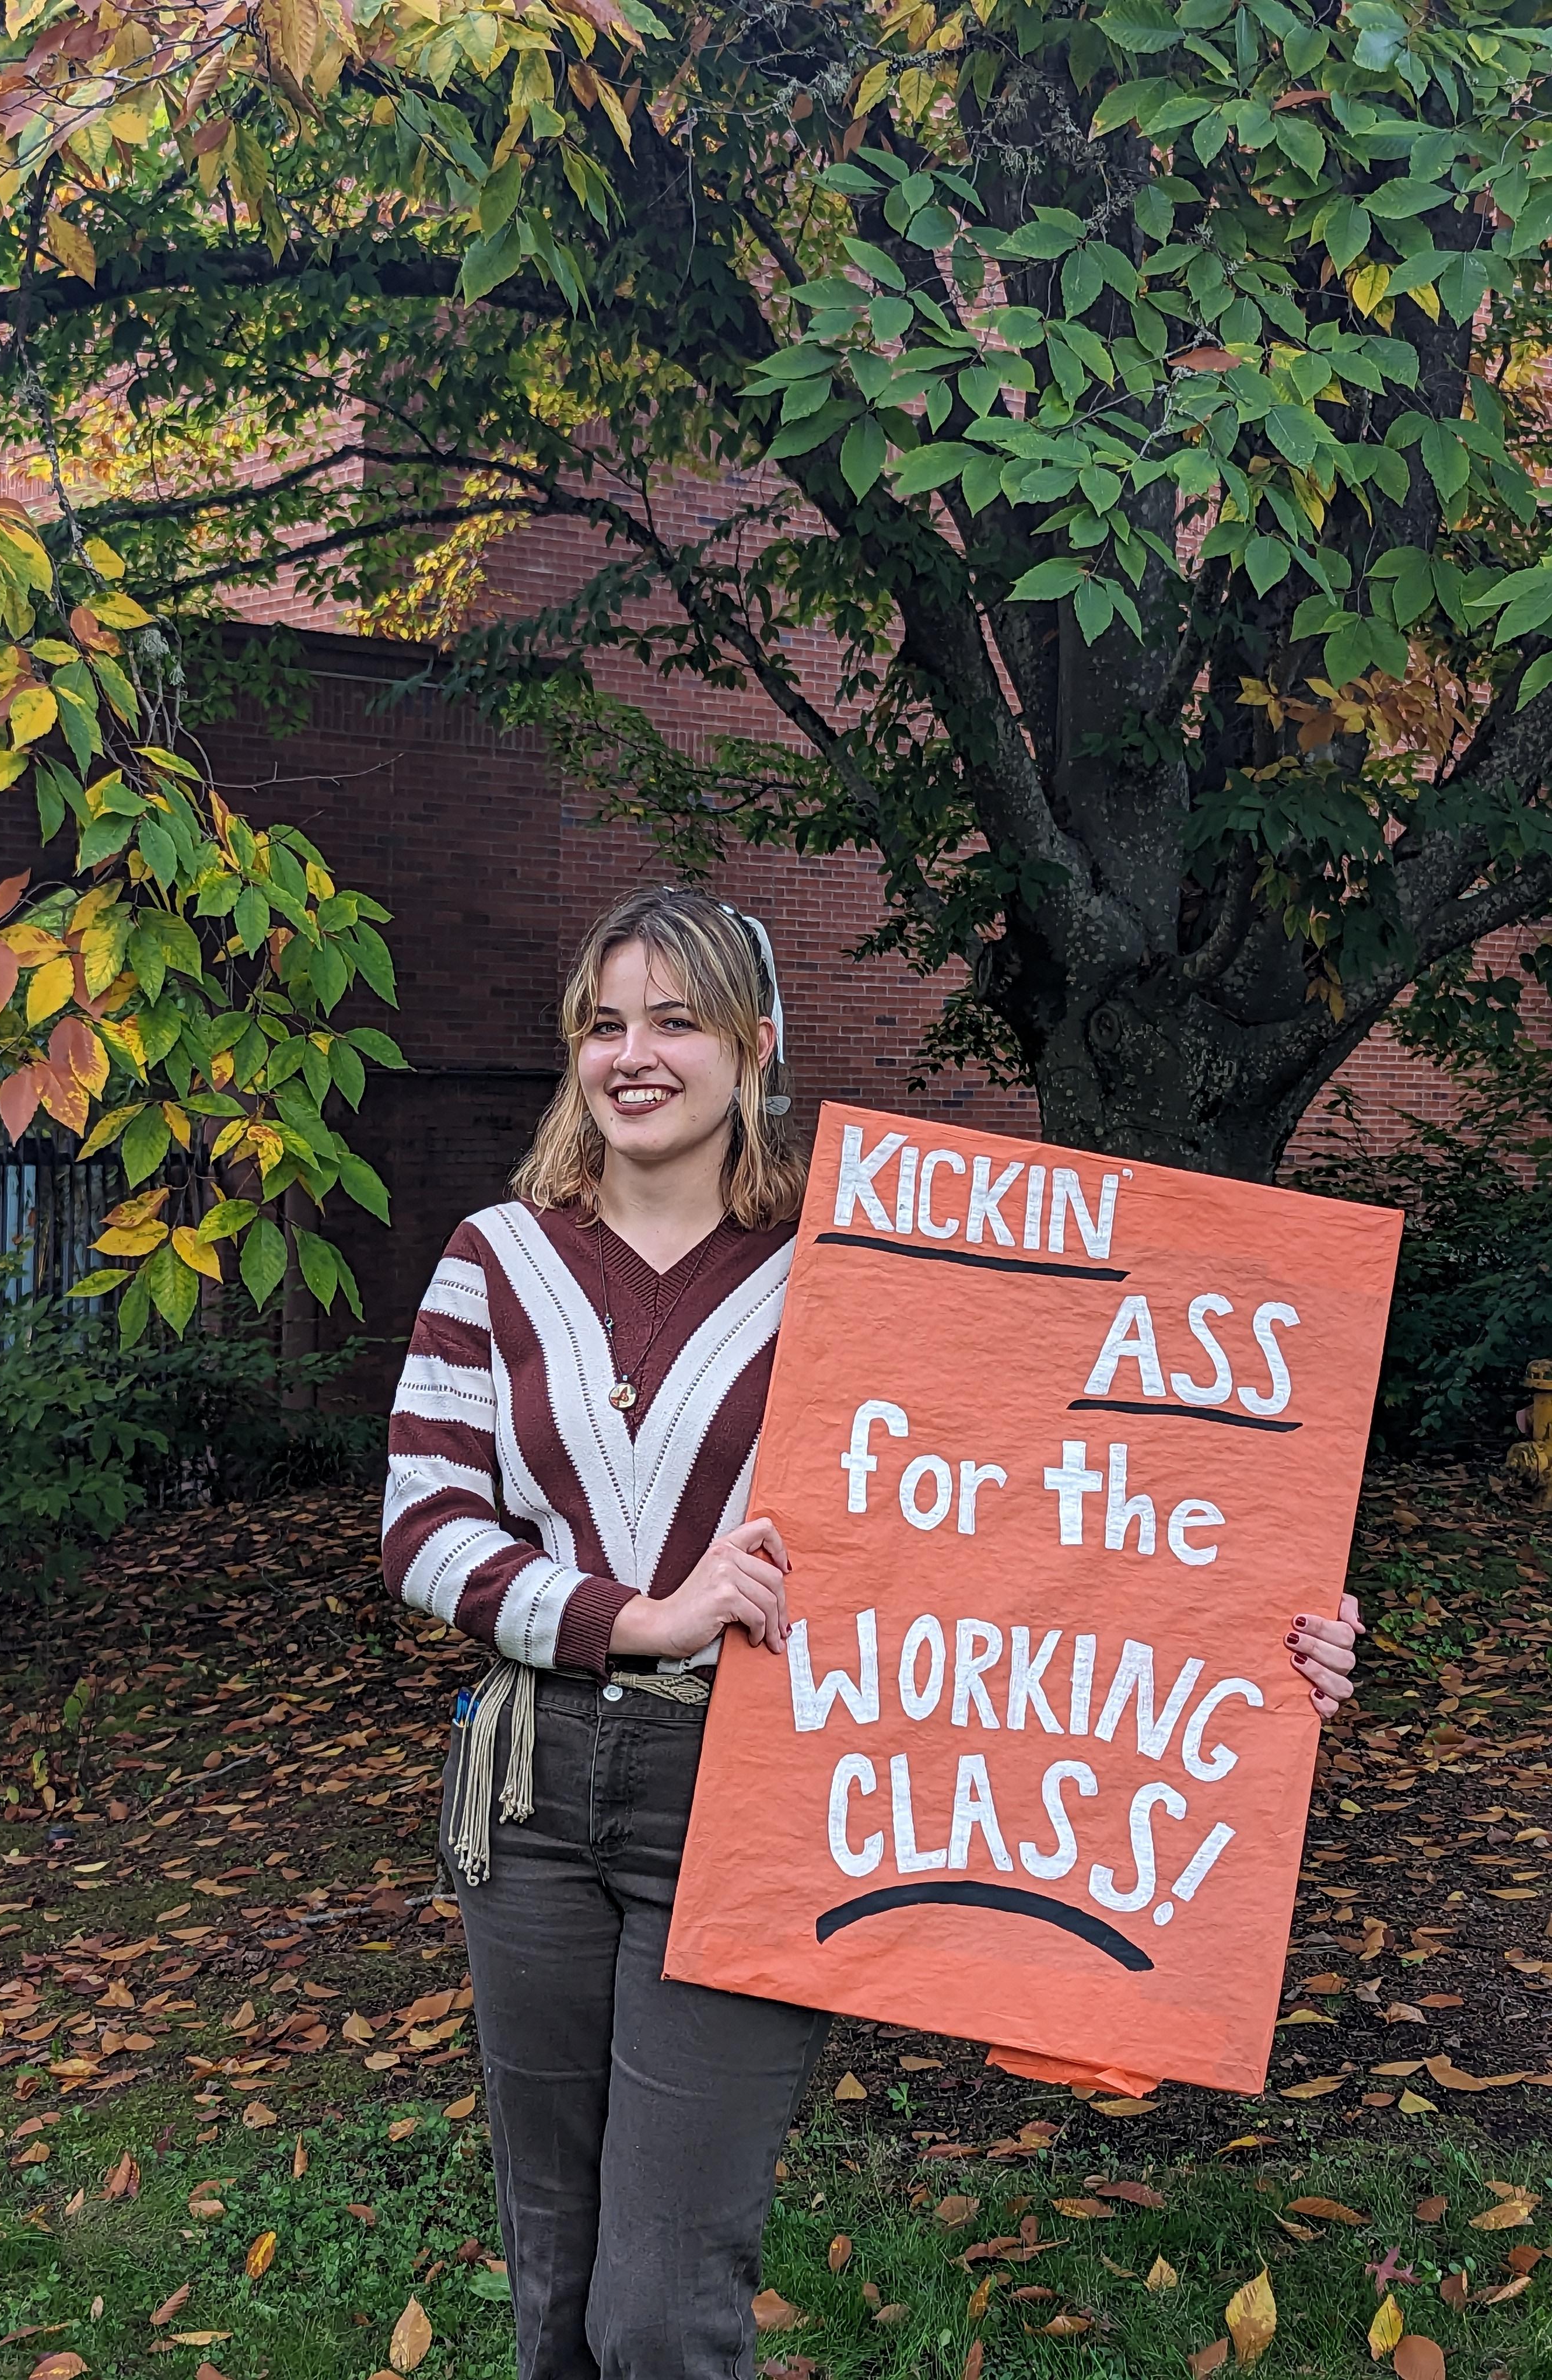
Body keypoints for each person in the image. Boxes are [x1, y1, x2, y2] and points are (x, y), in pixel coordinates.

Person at [381, 884, 1363, 2380]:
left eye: (676, 1021)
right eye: (604, 1024)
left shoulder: (858, 1266)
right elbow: (426, 1524)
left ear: (754, 1045)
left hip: (757, 1795)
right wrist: (637, 1614)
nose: (633, 1055)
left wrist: (1250, 1626)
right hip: (529, 1796)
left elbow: (1050, 1497)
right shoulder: (497, 1258)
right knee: (555, 2278)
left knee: (659, 2305)